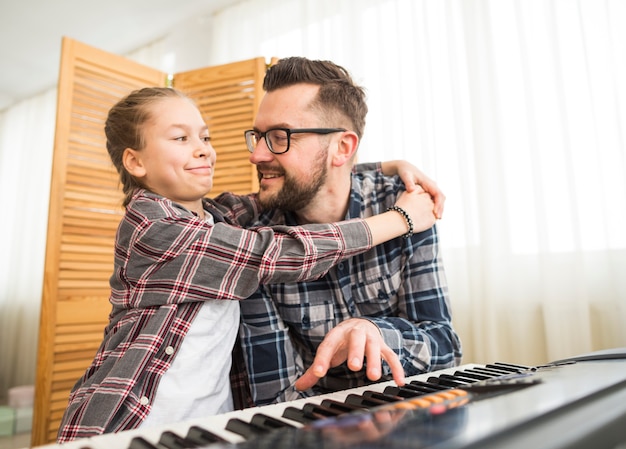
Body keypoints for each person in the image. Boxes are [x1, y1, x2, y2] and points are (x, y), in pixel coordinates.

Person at [56, 87, 438, 442]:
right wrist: (399, 219)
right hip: (134, 422)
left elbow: (298, 181)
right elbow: (275, 253)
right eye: (180, 138)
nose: (204, 149)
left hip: (207, 427)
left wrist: (382, 166)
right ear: (135, 161)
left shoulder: (215, 215)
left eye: (204, 137)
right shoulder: (151, 227)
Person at [239, 57, 462, 405]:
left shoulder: (405, 205)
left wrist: (378, 332)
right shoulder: (255, 239)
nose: (257, 156)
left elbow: (445, 348)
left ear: (343, 148)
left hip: (409, 417)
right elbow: (277, 396)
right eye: (258, 136)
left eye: (280, 137)